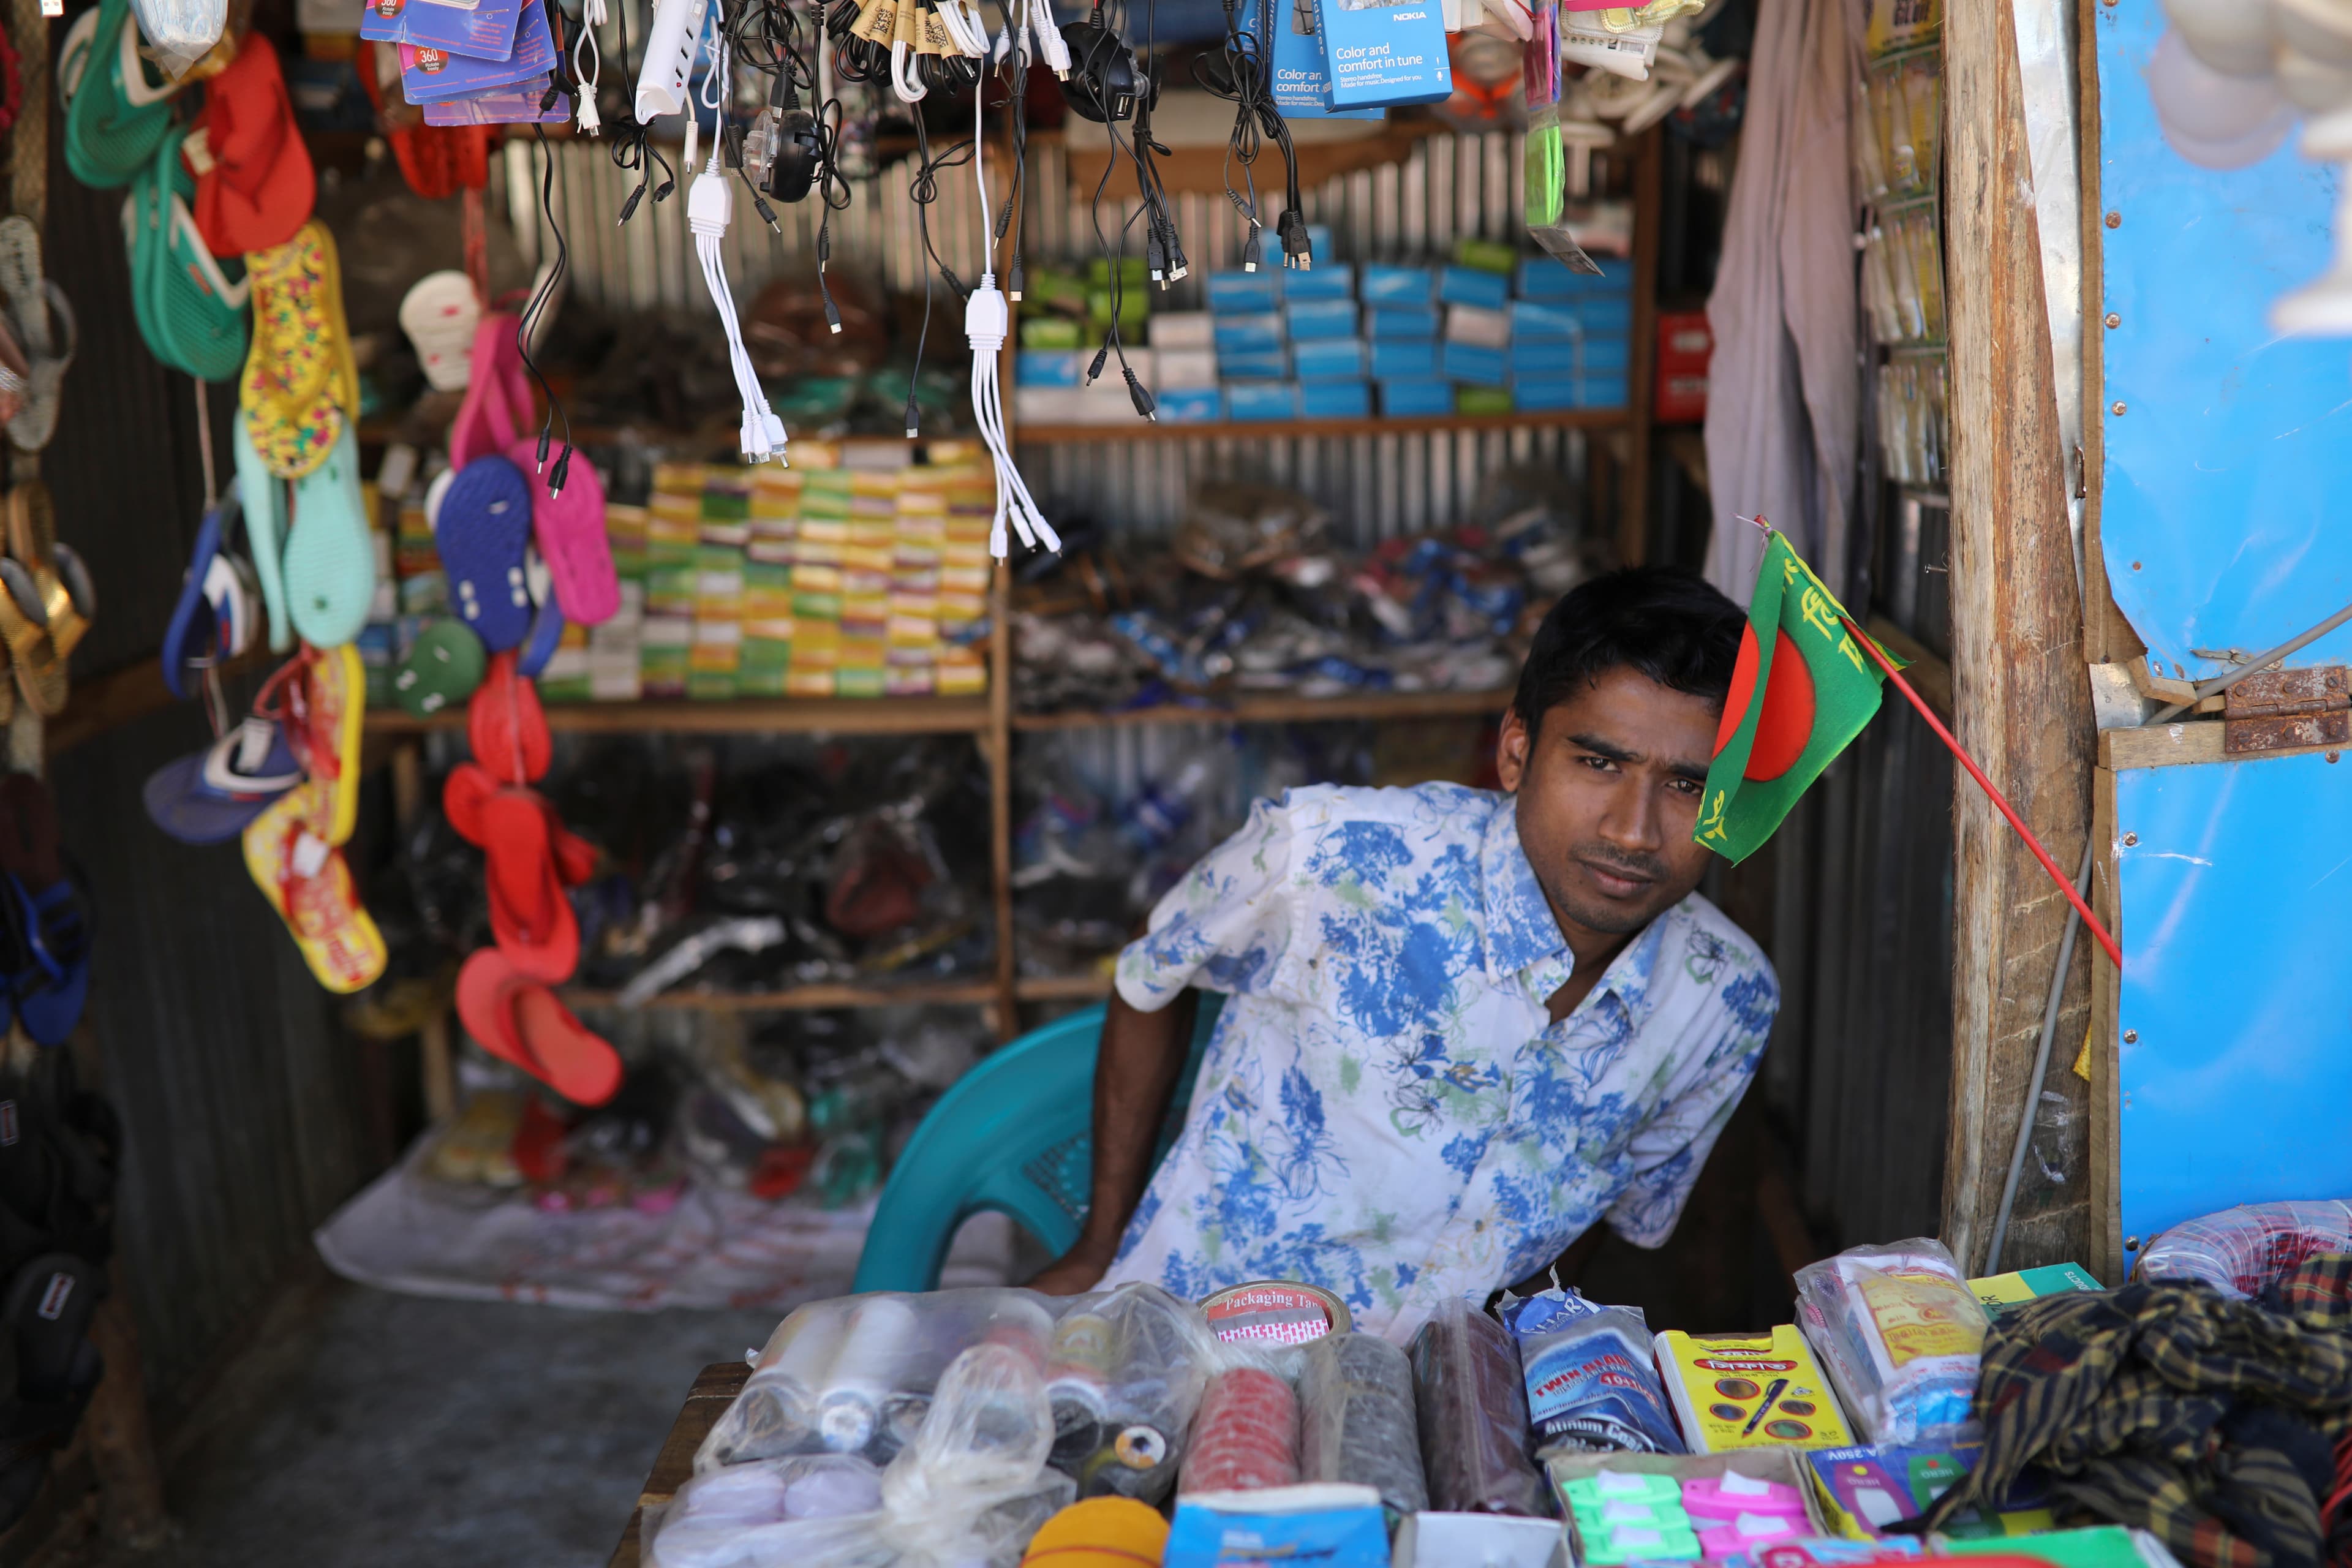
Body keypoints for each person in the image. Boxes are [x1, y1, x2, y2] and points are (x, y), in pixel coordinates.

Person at [1026, 567, 1781, 1341]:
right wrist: (1097, 1246)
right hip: (1188, 1345)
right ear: (1517, 751)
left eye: (1689, 785)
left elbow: (1609, 1213)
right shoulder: (1326, 856)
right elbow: (1151, 979)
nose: (1634, 829)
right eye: (1598, 763)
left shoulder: (1726, 1000)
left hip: (1433, 1416)